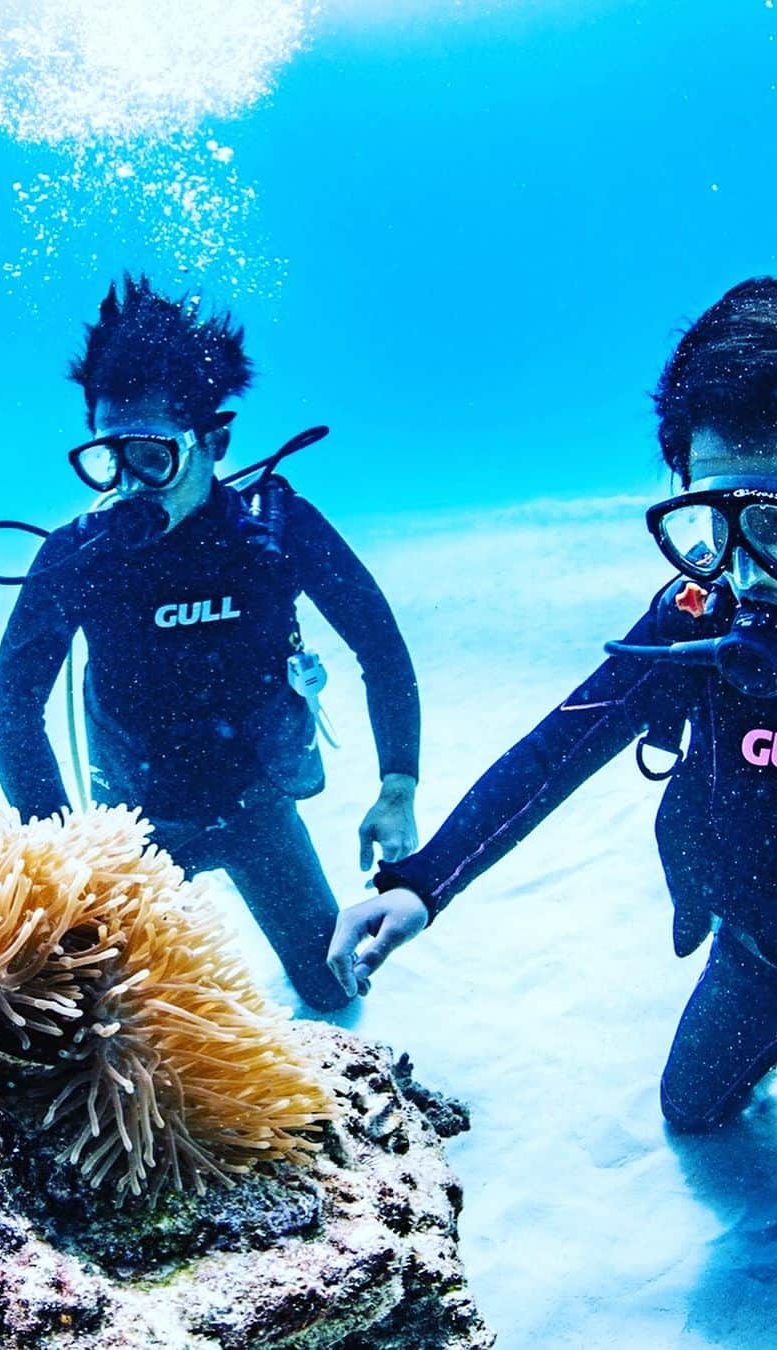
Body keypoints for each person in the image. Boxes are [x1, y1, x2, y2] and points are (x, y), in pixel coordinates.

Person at [329, 276, 777, 1127]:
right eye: (715, 527)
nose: (747, 573)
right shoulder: (694, 619)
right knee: (689, 1114)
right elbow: (556, 750)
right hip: (758, 955)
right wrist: (424, 885)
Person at [0, 274, 419, 1011]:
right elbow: (13, 714)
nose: (128, 484)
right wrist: (59, 858)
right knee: (104, 1028)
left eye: (151, 457)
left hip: (259, 811)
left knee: (333, 990)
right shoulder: (79, 556)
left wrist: (398, 787)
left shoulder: (276, 533)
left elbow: (380, 648)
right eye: (108, 456)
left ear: (212, 441)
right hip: (135, 828)